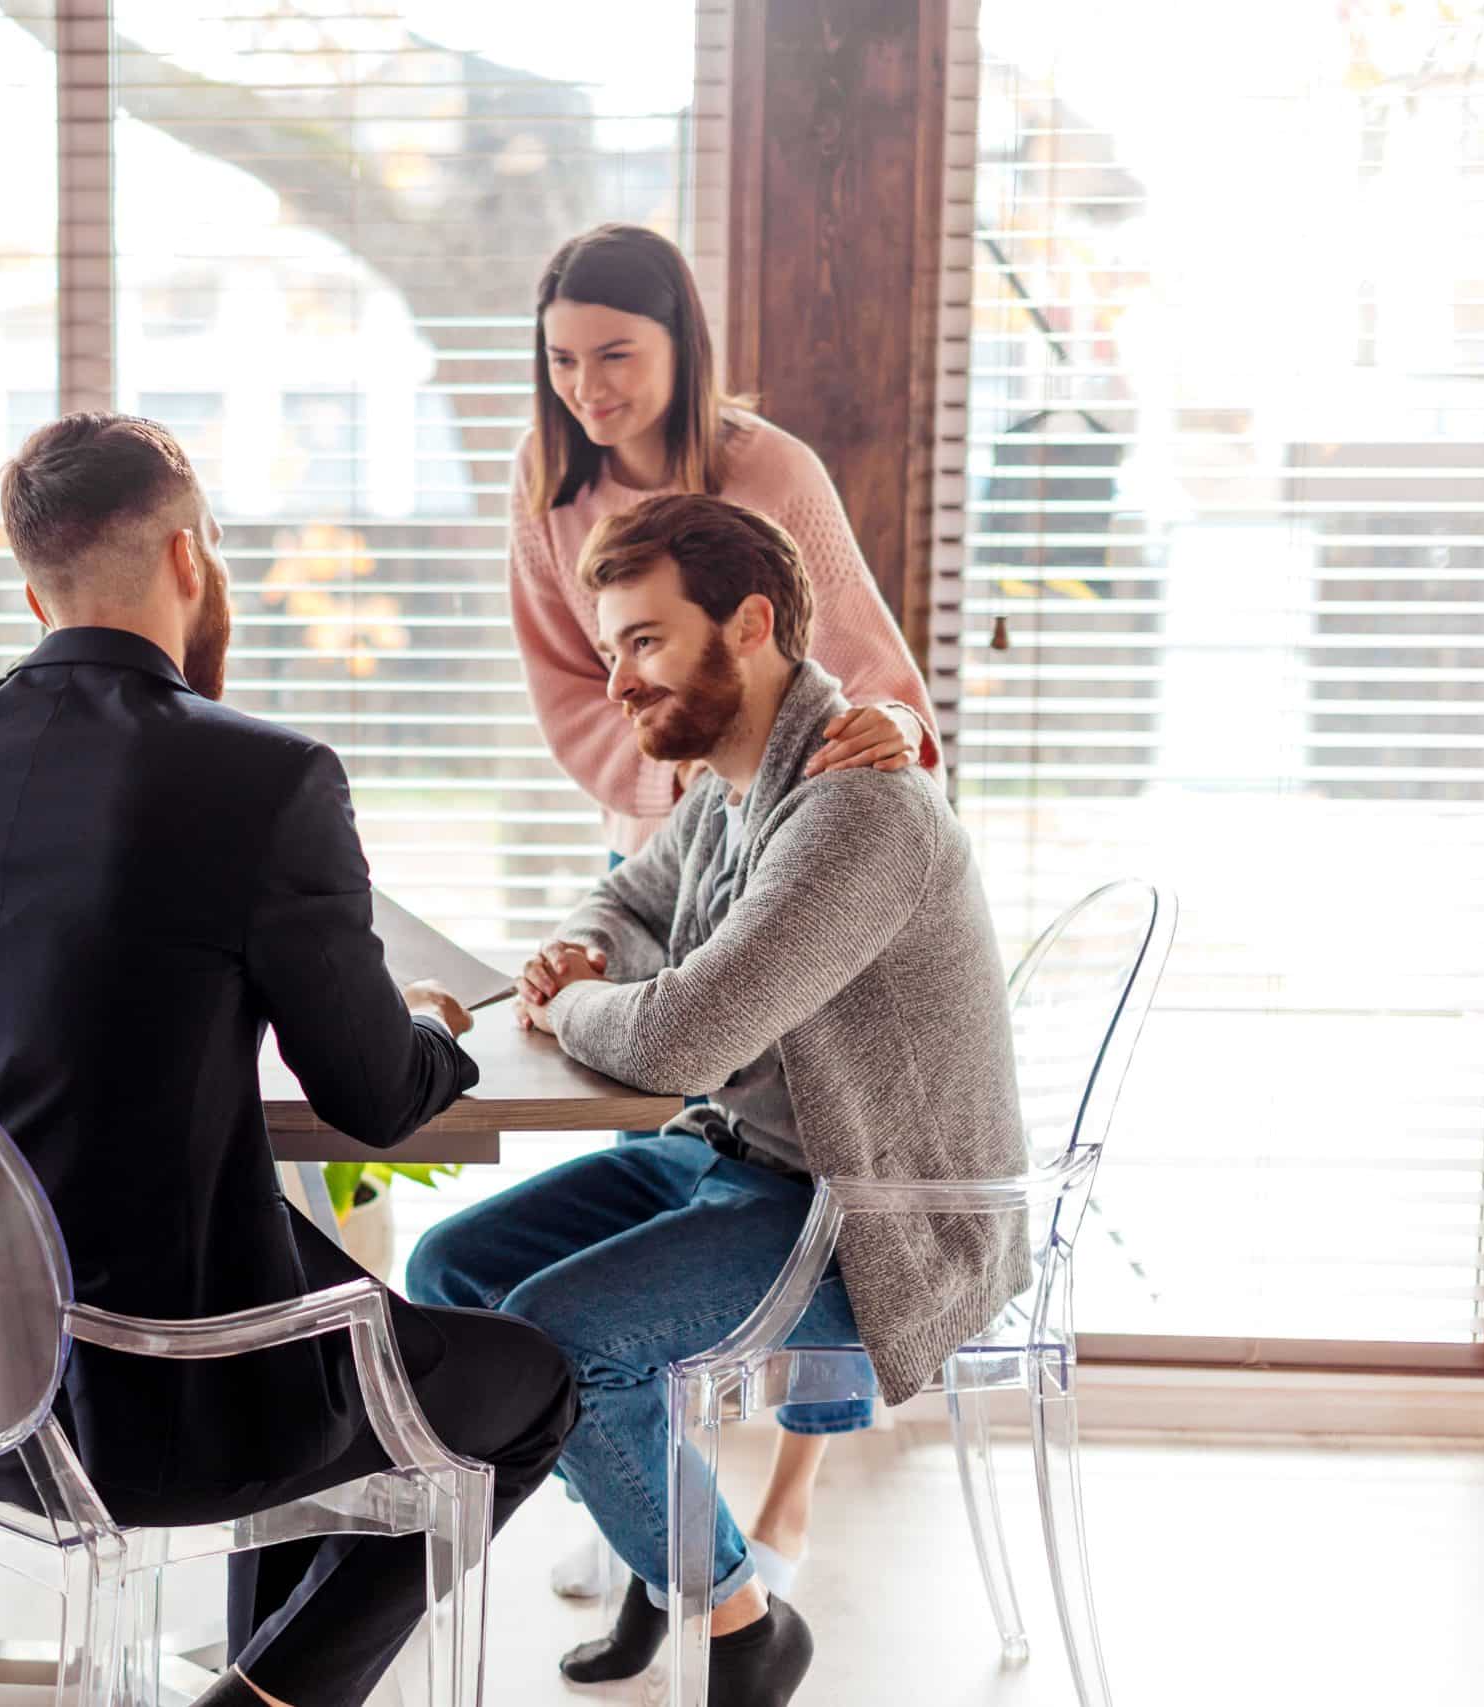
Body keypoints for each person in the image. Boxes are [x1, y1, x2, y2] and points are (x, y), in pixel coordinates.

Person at [0, 412, 578, 1707]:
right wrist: (435, 1028)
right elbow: (372, 1097)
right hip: (168, 1400)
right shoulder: (266, 774)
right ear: (193, 558)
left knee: (324, 1314)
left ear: (34, 591)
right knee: (528, 1392)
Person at [408, 493, 1027, 1707]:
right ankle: (667, 1548)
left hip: (870, 1214)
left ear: (747, 624)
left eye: (643, 641)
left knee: (569, 1340)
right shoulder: (728, 787)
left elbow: (683, 1038)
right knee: (453, 1276)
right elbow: (624, 904)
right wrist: (582, 957)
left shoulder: (856, 805)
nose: (618, 679)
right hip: (736, 1160)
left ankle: (742, 1626)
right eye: (608, 649)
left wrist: (561, 1007)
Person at [504, 219, 940, 1639]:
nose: (589, 387)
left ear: (686, 347)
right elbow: (573, 682)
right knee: (561, 1224)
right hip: (687, 793)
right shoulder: (551, 479)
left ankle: (770, 1525)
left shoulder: (770, 475)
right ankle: (666, 1525)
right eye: (563, 360)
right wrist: (680, 773)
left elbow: (849, 655)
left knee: (788, 1091)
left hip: (815, 794)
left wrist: (855, 741)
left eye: (617, 356)